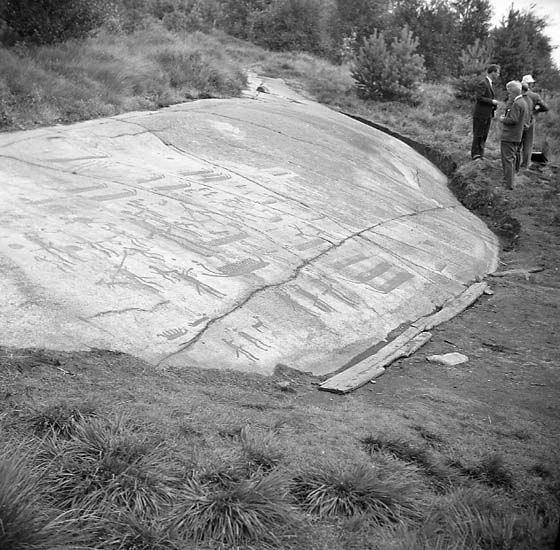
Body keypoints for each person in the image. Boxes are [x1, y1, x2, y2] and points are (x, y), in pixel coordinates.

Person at [499, 80, 529, 189]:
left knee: (507, 160)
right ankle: (509, 182)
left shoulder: (516, 103)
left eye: (509, 92)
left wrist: (503, 119)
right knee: (512, 159)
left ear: (513, 92)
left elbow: (514, 120)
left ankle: (509, 184)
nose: (508, 95)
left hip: (510, 136)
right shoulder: (523, 102)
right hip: (517, 136)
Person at [471, 64, 500, 160]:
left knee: (484, 135)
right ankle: (475, 153)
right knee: (478, 134)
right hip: (481, 114)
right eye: (497, 73)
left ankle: (480, 153)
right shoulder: (483, 83)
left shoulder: (489, 83)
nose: (498, 75)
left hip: (487, 114)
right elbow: (479, 97)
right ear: (493, 72)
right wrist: (492, 101)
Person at [520, 74, 549, 169]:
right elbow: (545, 107)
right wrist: (536, 110)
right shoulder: (535, 96)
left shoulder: (518, 93)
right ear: (530, 84)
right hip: (530, 120)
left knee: (517, 142)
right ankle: (525, 164)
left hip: (518, 119)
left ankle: (515, 163)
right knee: (528, 143)